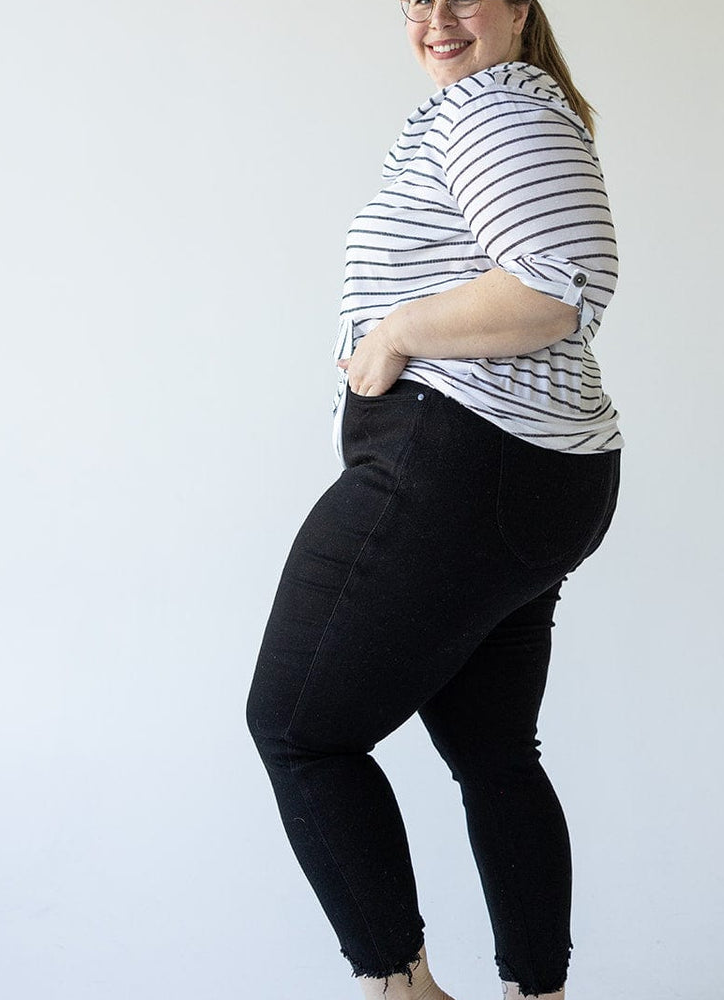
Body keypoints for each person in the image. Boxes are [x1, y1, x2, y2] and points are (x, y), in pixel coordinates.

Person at [246, 0, 622, 997]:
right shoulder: (491, 103)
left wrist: (395, 332)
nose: (436, 18)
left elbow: (555, 287)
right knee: (495, 752)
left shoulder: (500, 106)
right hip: (522, 471)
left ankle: (400, 988)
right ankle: (535, 990)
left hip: (463, 461)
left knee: (297, 728)